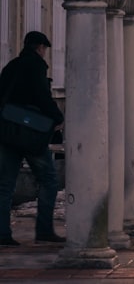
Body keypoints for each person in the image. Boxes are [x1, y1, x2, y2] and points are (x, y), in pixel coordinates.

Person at [0, 31, 65, 245]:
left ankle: (3, 233)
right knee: (49, 180)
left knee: (6, 184)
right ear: (40, 48)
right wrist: (57, 117)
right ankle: (44, 230)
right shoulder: (36, 66)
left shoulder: (11, 66)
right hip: (31, 134)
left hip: (8, 132)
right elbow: (42, 97)